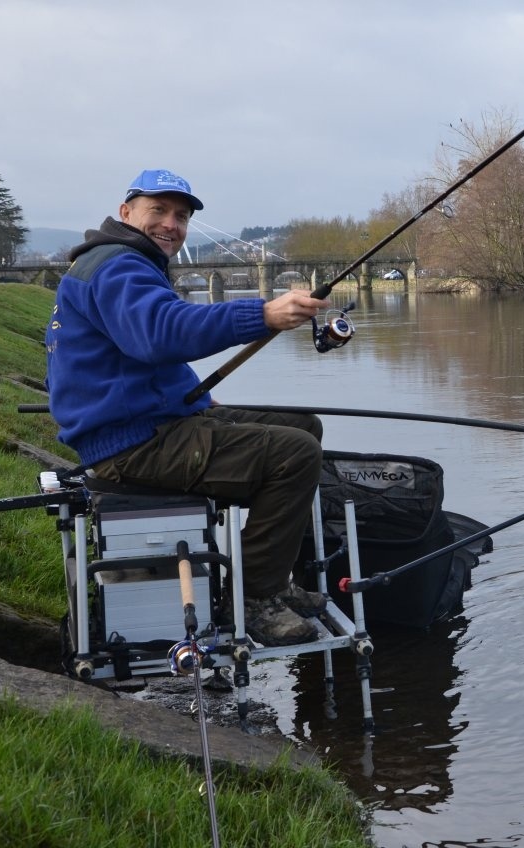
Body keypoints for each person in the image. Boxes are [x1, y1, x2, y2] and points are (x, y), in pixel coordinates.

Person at [45, 168, 329, 646]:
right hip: (132, 445)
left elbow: (140, 354)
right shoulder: (118, 267)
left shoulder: (122, 262)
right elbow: (161, 333)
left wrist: (192, 395)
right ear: (126, 212)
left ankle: (272, 576)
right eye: (158, 210)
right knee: (294, 454)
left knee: (302, 424)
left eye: (181, 216)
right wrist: (262, 314)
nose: (171, 225)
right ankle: (255, 599)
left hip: (149, 420)